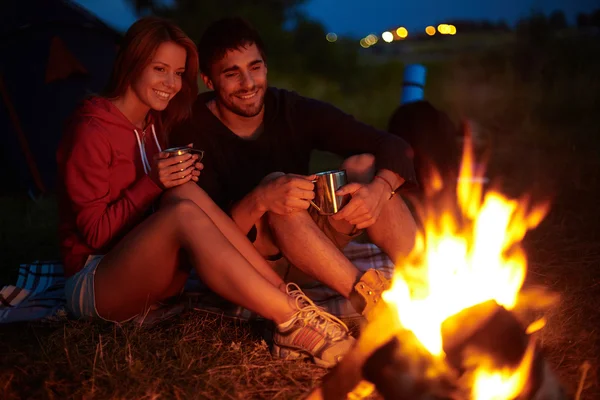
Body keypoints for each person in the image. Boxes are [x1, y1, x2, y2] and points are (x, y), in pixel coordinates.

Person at [57, 16, 355, 368]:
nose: (171, 83)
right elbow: (94, 234)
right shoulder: (92, 129)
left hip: (150, 277)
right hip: (96, 283)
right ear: (131, 63)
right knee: (181, 211)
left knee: (184, 193)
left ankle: (286, 300)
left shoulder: (156, 124)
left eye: (178, 73)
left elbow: (167, 198)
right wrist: (153, 182)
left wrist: (172, 182)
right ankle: (290, 321)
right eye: (160, 69)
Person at [170, 17, 419, 321]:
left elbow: (393, 146)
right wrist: (261, 199)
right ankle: (372, 300)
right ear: (208, 81)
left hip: (314, 252)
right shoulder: (192, 130)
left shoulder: (290, 109)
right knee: (279, 192)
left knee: (366, 166)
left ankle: (425, 278)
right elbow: (205, 234)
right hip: (254, 264)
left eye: (255, 67)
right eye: (232, 74)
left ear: (265, 67)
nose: (248, 84)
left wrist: (379, 190)